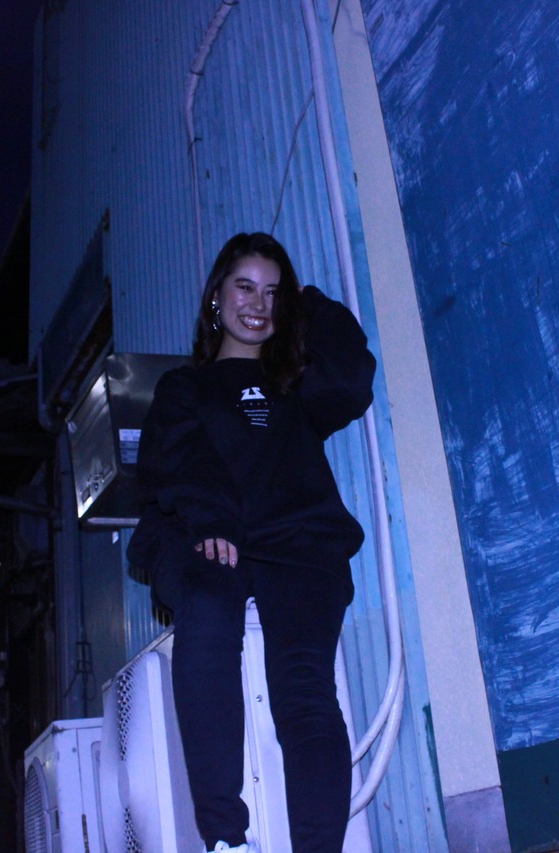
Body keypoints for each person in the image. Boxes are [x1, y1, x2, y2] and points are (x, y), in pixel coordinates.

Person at [128, 232, 376, 853]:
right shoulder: (186, 387)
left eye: (272, 292)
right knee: (210, 601)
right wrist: (211, 520)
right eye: (245, 287)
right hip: (208, 534)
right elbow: (174, 462)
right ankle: (225, 841)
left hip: (298, 541)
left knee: (305, 691)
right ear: (217, 296)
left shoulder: (294, 387)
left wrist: (306, 301)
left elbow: (351, 380)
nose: (258, 304)